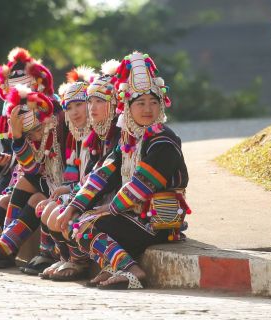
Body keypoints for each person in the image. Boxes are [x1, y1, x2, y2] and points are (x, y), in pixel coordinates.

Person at [56, 51, 190, 289]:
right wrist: (74, 205)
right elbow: (104, 173)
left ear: (161, 104)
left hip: (158, 223)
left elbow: (142, 184)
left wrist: (110, 208)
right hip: (136, 216)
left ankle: (131, 270)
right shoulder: (130, 138)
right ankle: (116, 265)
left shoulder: (163, 140)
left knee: (85, 226)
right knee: (78, 218)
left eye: (153, 102)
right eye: (140, 103)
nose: (147, 108)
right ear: (128, 107)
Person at [0, 84, 65, 271]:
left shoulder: (62, 125)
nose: (36, 136)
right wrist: (18, 137)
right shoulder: (41, 134)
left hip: (73, 187)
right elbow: (32, 169)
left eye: (38, 129)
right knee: (27, 189)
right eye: (30, 134)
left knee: (36, 196)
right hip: (52, 185)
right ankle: (2, 248)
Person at [40, 60, 123, 280]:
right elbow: (95, 176)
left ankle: (80, 262)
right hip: (99, 197)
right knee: (50, 208)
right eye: (90, 101)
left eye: (97, 102)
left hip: (119, 204)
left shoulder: (117, 136)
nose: (88, 108)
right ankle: (66, 257)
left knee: (72, 218)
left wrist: (74, 199)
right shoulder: (95, 137)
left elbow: (106, 178)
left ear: (115, 103)